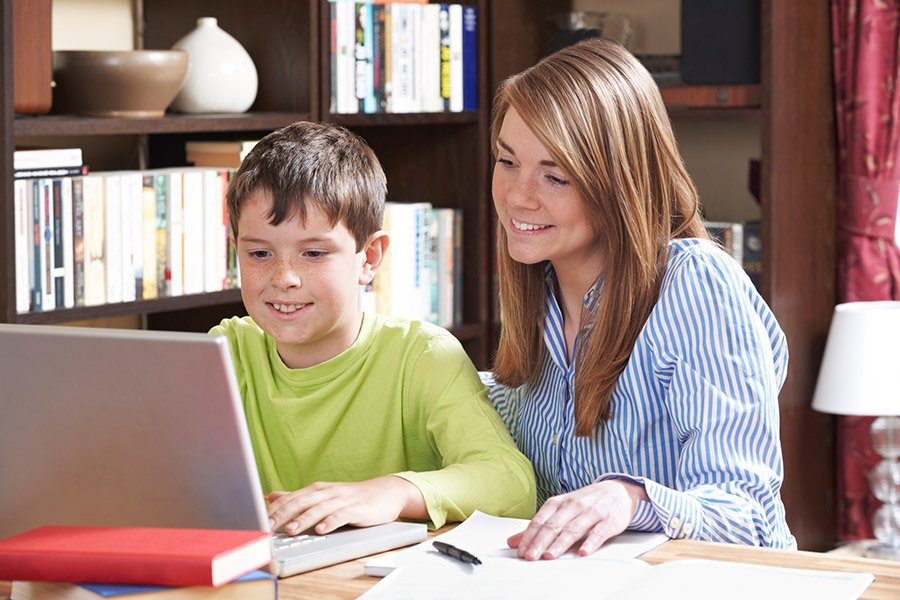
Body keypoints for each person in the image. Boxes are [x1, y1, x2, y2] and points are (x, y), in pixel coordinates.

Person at [485, 37, 796, 561]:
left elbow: (747, 519)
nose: (518, 195)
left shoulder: (696, 285)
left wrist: (629, 498)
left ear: (617, 182)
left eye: (555, 175)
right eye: (507, 161)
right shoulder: (538, 293)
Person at [210, 121, 536, 537]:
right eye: (259, 252)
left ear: (369, 257)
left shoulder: (422, 356)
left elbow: (512, 484)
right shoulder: (226, 353)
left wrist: (393, 491)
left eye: (313, 253)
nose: (284, 277)